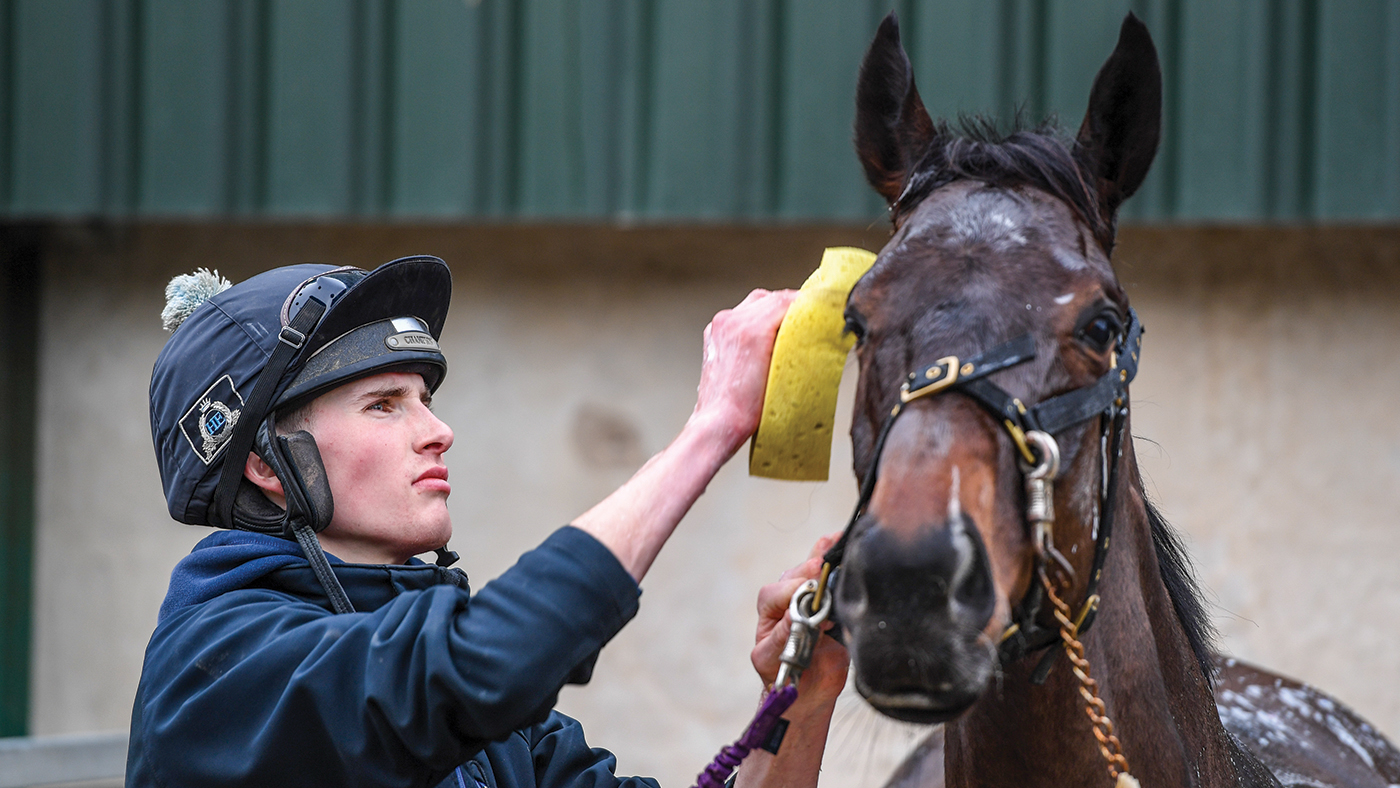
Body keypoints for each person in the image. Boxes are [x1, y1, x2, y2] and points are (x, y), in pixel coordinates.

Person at [132, 255, 848, 788]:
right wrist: (712, 426)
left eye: (425, 398)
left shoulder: (467, 695)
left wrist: (799, 698)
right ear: (267, 465)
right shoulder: (221, 664)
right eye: (384, 404)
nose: (438, 431)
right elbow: (477, 666)